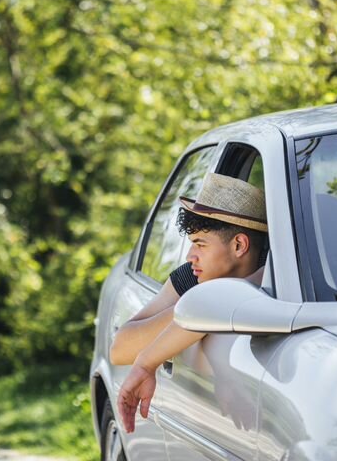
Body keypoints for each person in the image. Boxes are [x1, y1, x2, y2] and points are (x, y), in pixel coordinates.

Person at [112, 172, 268, 433]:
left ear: (239, 245)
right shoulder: (193, 277)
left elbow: (227, 298)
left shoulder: (277, 274)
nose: (189, 255)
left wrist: (201, 309)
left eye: (200, 244)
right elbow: (120, 349)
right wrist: (195, 307)